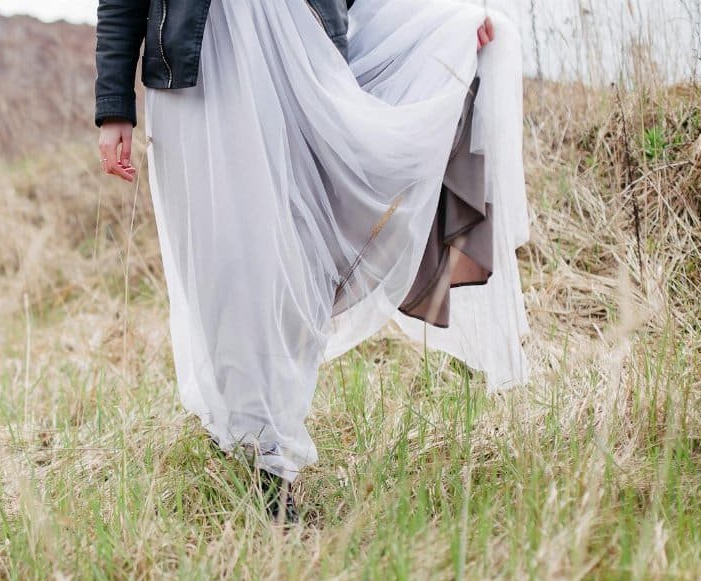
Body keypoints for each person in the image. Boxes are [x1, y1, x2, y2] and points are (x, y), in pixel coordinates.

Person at [95, 0, 531, 524]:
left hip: (300, 53)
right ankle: (260, 457)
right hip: (199, 71)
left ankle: (267, 446)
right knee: (228, 265)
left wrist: (444, 20)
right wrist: (114, 104)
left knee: (293, 258)